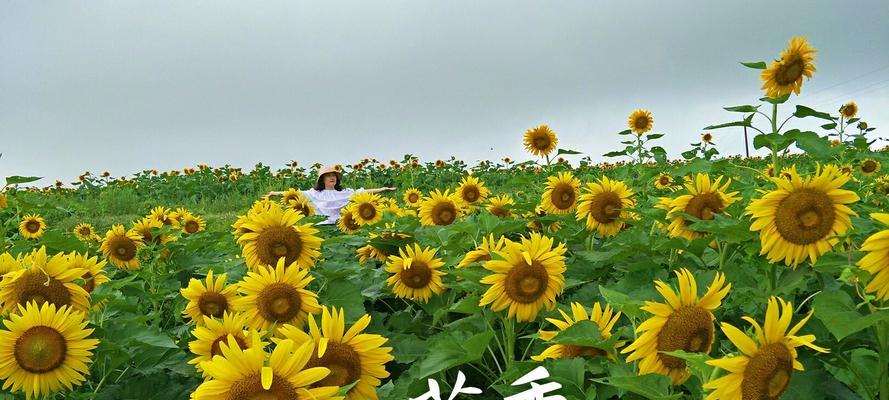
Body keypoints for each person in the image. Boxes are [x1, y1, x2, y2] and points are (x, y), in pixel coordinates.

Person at [265, 165, 396, 225]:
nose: (332, 178)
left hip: (340, 226)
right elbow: (293, 193)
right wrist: (273, 193)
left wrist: (383, 189)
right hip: (321, 226)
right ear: (322, 179)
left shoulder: (344, 193)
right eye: (328, 176)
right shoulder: (314, 193)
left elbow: (362, 193)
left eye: (333, 175)